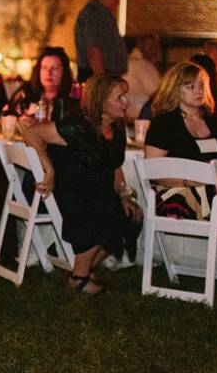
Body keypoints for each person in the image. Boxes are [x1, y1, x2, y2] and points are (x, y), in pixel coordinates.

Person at [144, 62, 217, 307]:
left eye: (202, 85)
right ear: (176, 89)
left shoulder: (214, 120)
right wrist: (202, 181)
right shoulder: (164, 123)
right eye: (190, 86)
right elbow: (155, 171)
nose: (198, 91)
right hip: (177, 197)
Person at [23, 75, 142, 294]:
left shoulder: (116, 128)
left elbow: (115, 166)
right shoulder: (77, 125)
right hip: (64, 190)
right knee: (105, 208)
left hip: (93, 190)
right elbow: (31, 132)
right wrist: (49, 169)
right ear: (101, 102)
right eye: (119, 98)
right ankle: (79, 277)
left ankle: (84, 268)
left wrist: (125, 195)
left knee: (130, 213)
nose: (126, 102)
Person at [5, 46, 77, 125]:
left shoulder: (72, 97)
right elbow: (7, 113)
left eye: (54, 68)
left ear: (64, 72)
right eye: (44, 68)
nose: (49, 73)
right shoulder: (27, 91)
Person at [74, 0, 128, 82]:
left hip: (105, 74)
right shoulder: (93, 15)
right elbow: (93, 49)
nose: (117, 0)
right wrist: (101, 80)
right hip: (96, 74)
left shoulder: (105, 16)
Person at [124, 33, 161, 120]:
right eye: (151, 44)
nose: (155, 48)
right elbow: (156, 91)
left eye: (156, 45)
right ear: (141, 43)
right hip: (140, 117)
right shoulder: (140, 64)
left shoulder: (130, 62)